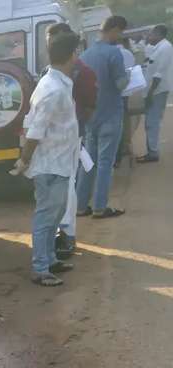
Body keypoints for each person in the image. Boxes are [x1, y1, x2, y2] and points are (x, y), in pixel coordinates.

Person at [14, 31, 82, 287]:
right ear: (72, 54)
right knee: (46, 218)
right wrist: (25, 160)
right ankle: (40, 268)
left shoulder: (57, 82)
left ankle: (50, 259)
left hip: (59, 162)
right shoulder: (53, 89)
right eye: (78, 51)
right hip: (49, 165)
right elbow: (36, 130)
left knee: (54, 215)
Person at [35, 22, 97, 257]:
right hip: (49, 143)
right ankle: (52, 244)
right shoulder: (49, 73)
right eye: (49, 41)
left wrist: (73, 130)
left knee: (67, 191)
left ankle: (67, 237)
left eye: (55, 41)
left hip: (69, 140)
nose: (51, 45)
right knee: (53, 197)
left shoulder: (83, 72)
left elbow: (89, 107)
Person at [76, 16, 130, 219]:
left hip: (91, 117)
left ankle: (81, 206)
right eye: (121, 32)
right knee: (105, 163)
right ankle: (100, 207)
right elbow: (120, 85)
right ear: (114, 29)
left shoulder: (86, 55)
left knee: (89, 163)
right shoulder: (114, 53)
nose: (121, 37)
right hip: (110, 116)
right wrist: (130, 76)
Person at [138, 25, 172, 163]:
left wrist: (150, 93)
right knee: (151, 122)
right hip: (154, 90)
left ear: (158, 35)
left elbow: (158, 75)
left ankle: (153, 153)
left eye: (150, 34)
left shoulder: (165, 48)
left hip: (157, 91)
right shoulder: (158, 48)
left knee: (152, 122)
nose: (148, 37)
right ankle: (152, 150)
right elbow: (151, 64)